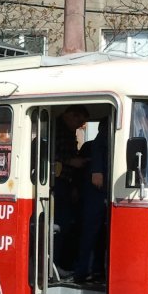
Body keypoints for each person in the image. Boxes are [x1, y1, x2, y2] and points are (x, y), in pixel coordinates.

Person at [53, 105, 90, 278]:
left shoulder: (68, 132)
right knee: (60, 225)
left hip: (66, 182)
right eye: (78, 121)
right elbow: (50, 155)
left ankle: (58, 263)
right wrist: (72, 161)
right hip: (56, 183)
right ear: (69, 115)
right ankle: (53, 264)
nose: (79, 126)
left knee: (66, 224)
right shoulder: (55, 129)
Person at [73, 118, 108, 284]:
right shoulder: (100, 142)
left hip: (96, 193)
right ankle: (84, 271)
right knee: (92, 232)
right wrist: (97, 170)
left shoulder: (91, 145)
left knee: (97, 233)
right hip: (96, 193)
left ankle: (93, 270)